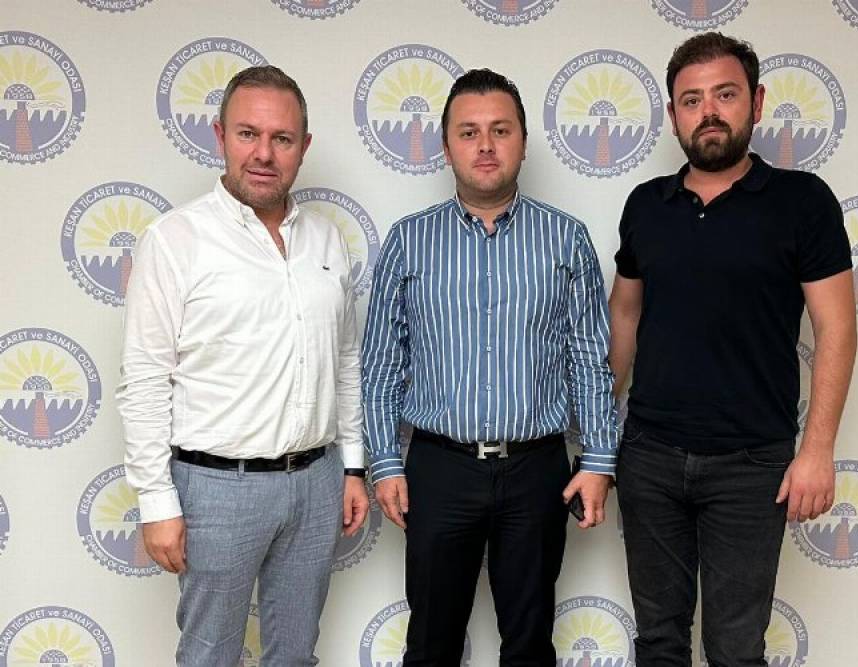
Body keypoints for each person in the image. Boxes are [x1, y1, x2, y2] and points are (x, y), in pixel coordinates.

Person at [609, 33, 857, 666]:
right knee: (658, 642)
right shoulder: (646, 206)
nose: (709, 111)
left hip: (752, 466)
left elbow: (836, 327)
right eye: (691, 100)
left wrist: (818, 451)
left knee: (735, 650)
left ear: (757, 101)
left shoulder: (803, 202)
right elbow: (625, 313)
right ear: (674, 116)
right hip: (650, 456)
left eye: (725, 94)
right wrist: (598, 429)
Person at [362, 68, 618, 666]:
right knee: (431, 645)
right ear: (445, 145)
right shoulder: (408, 241)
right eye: (469, 131)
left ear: (523, 141)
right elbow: (381, 365)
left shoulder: (566, 239)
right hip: (438, 469)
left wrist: (600, 459)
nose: (485, 145)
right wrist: (384, 462)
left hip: (536, 470)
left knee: (528, 646)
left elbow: (589, 358)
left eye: (500, 130)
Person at [118, 65, 369, 666]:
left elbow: (343, 361)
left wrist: (353, 466)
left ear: (303, 147)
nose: (263, 153)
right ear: (220, 136)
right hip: (215, 489)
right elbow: (145, 378)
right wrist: (156, 502)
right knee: (209, 655)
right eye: (248, 134)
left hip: (316, 481)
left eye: (282, 138)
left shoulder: (326, 240)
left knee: (295, 654)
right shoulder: (175, 239)